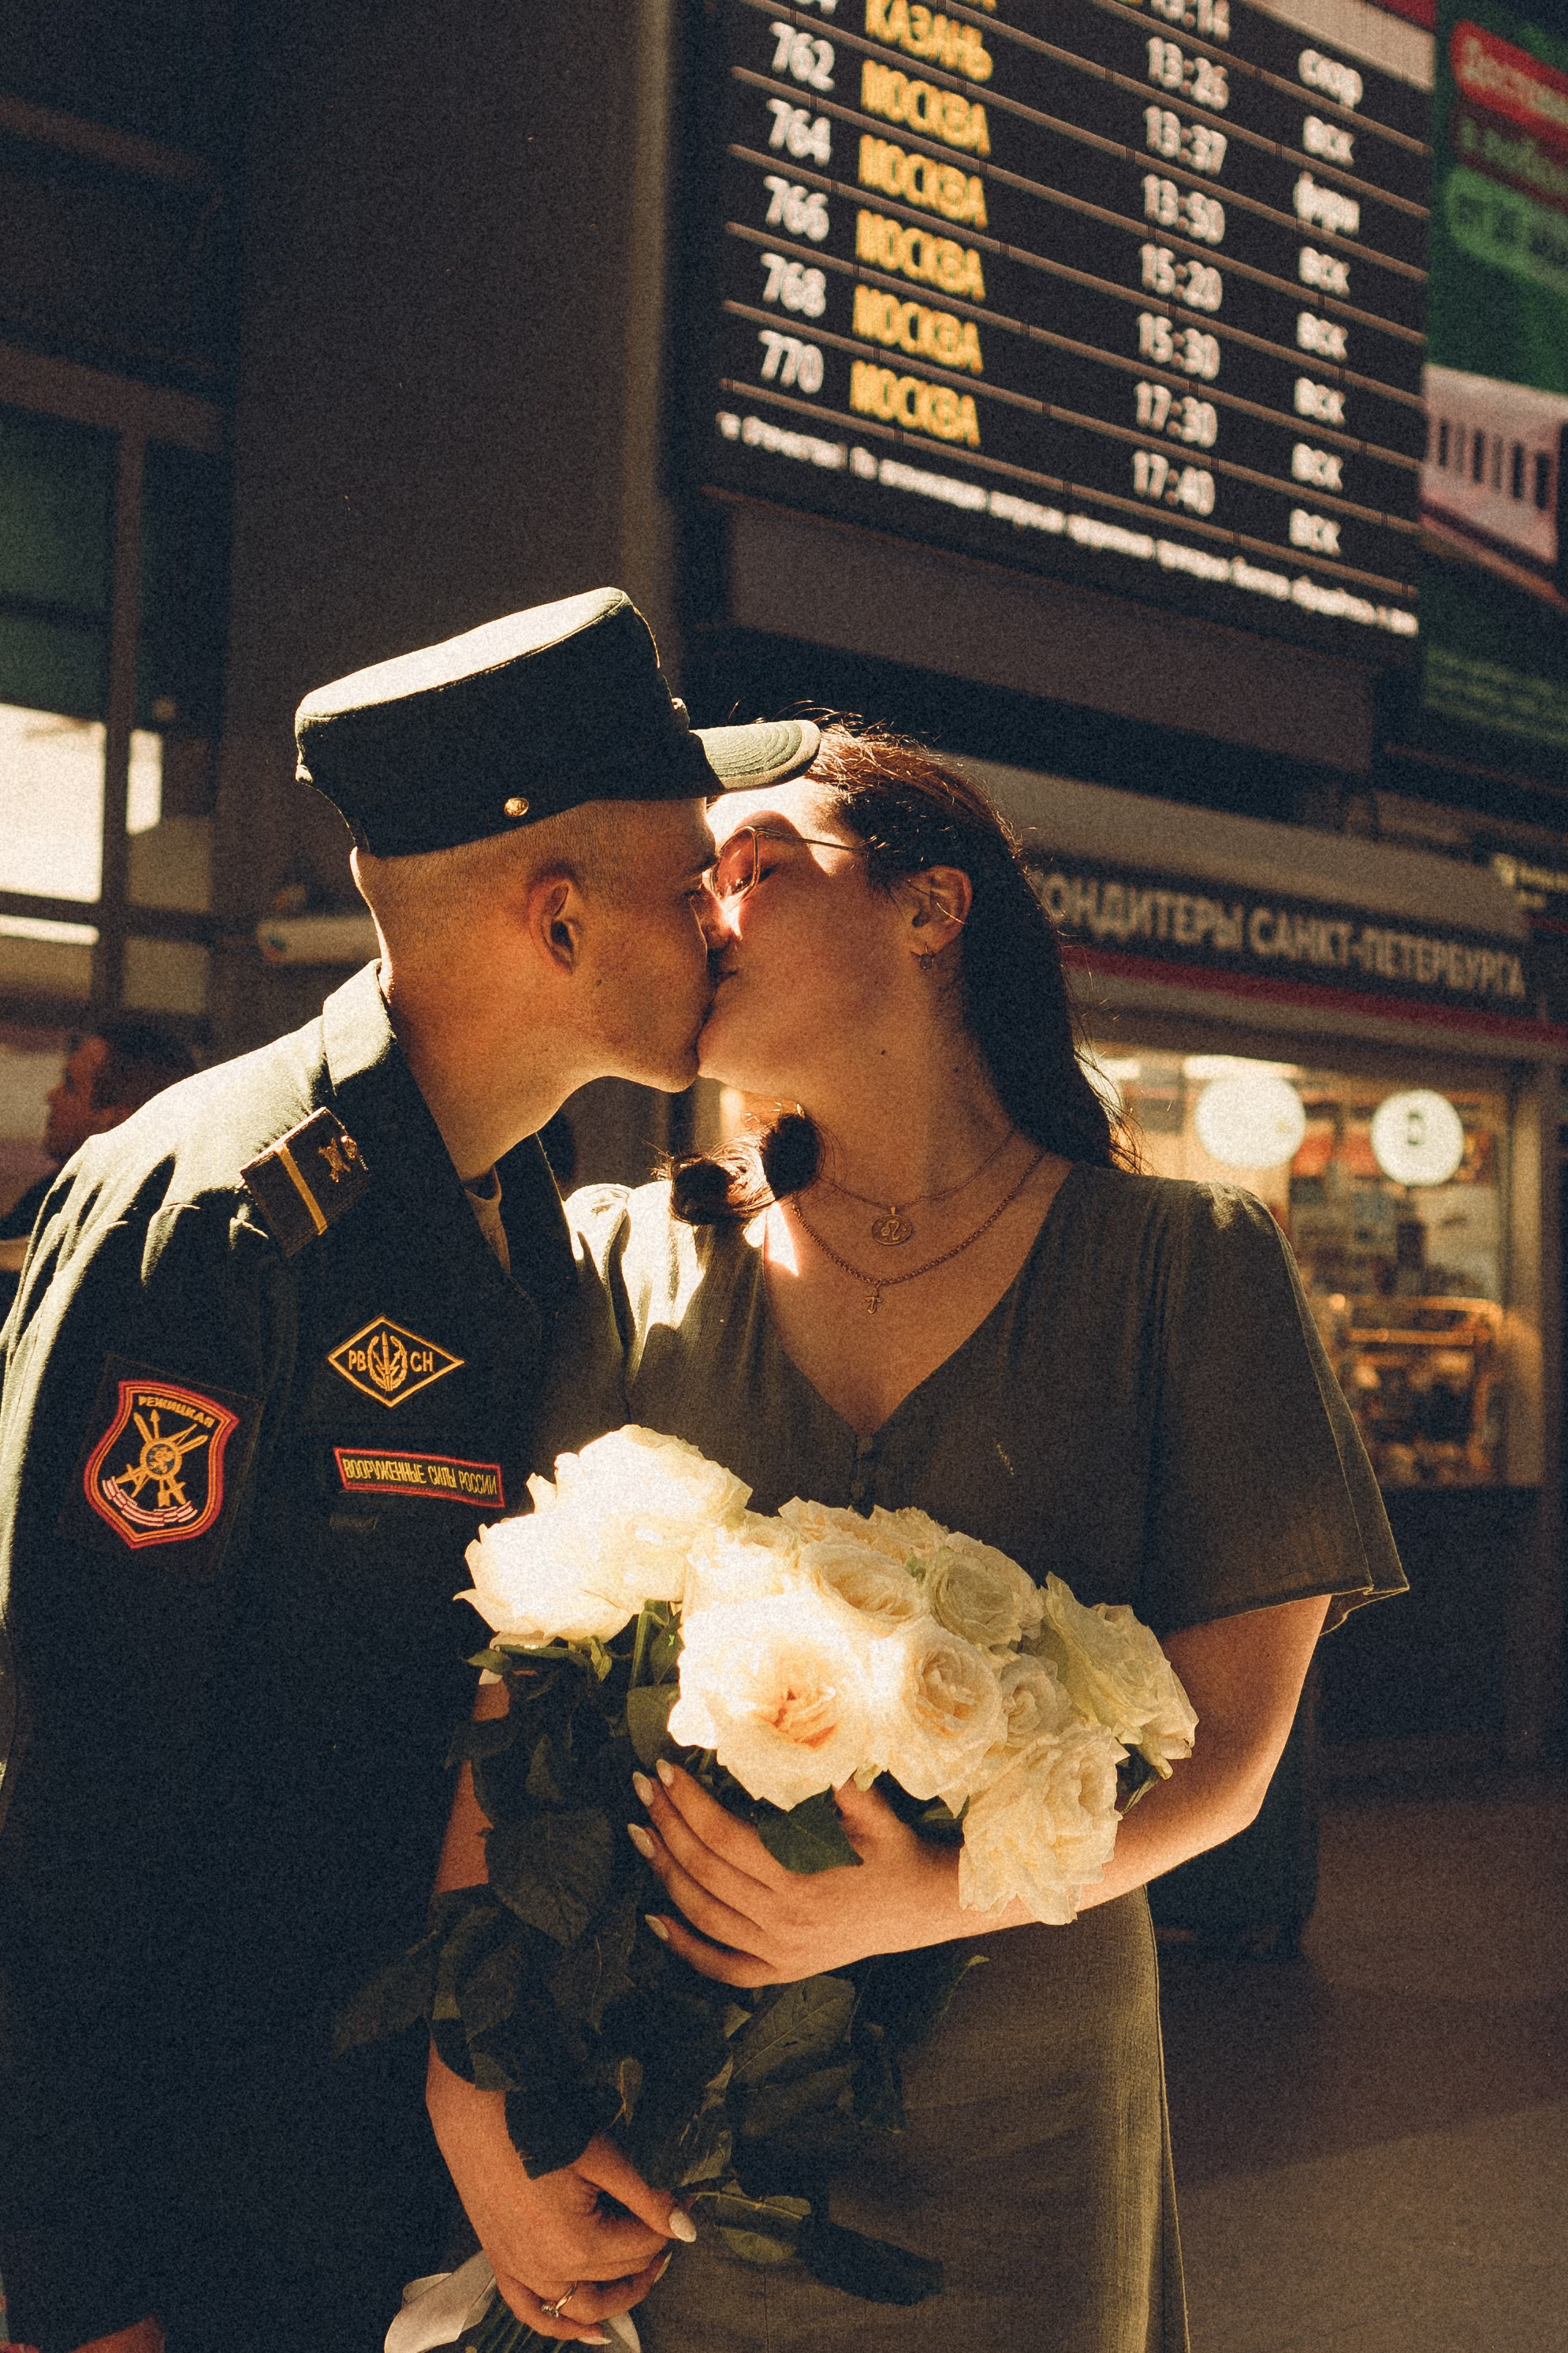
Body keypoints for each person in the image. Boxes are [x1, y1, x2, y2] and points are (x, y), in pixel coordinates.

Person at [445, 722, 1406, 2351]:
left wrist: (921, 1899)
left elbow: (1232, 1752)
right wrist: (476, 2092)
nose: (700, 914)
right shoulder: (623, 1258)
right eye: (687, 888)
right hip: (664, 2102)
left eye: (747, 869)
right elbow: (507, 1706)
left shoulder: (1182, 1262)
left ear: (927, 907)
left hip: (1023, 2107)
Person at [0, 587, 824, 2353]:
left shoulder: (530, 1222)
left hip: (388, 2187)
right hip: (195, 2211)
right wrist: (66, 2282)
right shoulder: (217, 1217)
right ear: (556, 917)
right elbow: (66, 1782)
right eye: (691, 887)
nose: (723, 925)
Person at [0, 1022, 196, 1321]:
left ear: (116, 1119)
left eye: (70, 1086)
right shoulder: (55, 1190)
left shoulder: (131, 1227)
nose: (51, 1095)